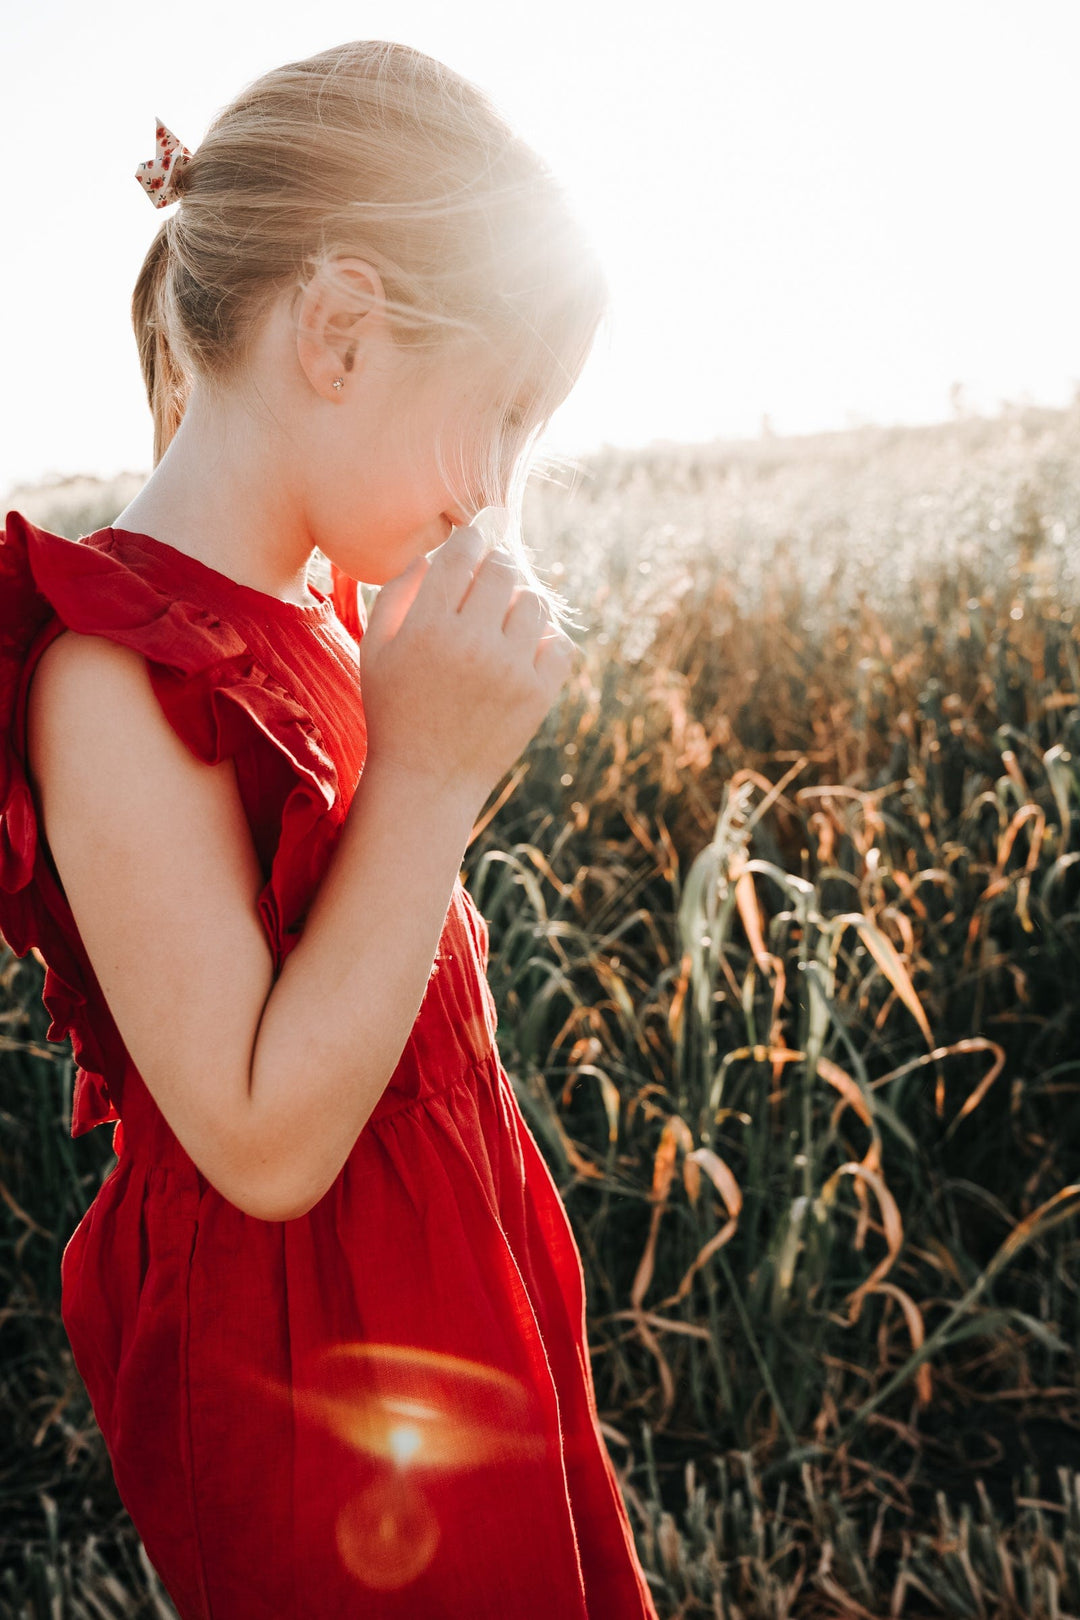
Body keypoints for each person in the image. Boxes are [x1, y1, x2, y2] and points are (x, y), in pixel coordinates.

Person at [0, 40, 660, 1620]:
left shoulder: (323, 610)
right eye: (498, 415)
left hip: (449, 1293)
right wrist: (429, 778)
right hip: (312, 1379)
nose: (499, 487)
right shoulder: (116, 670)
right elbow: (263, 1138)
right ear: (343, 331)